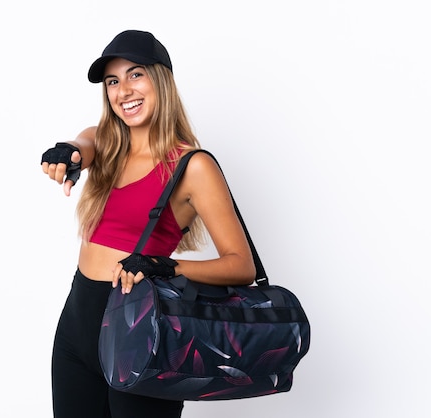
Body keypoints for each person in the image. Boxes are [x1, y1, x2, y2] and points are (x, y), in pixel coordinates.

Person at [40, 29, 256, 418]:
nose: (124, 90)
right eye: (112, 81)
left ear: (161, 80)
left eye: (135, 74)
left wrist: (163, 266)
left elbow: (242, 265)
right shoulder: (107, 144)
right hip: (76, 326)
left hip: (142, 331)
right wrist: (68, 153)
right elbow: (84, 143)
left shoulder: (193, 166)